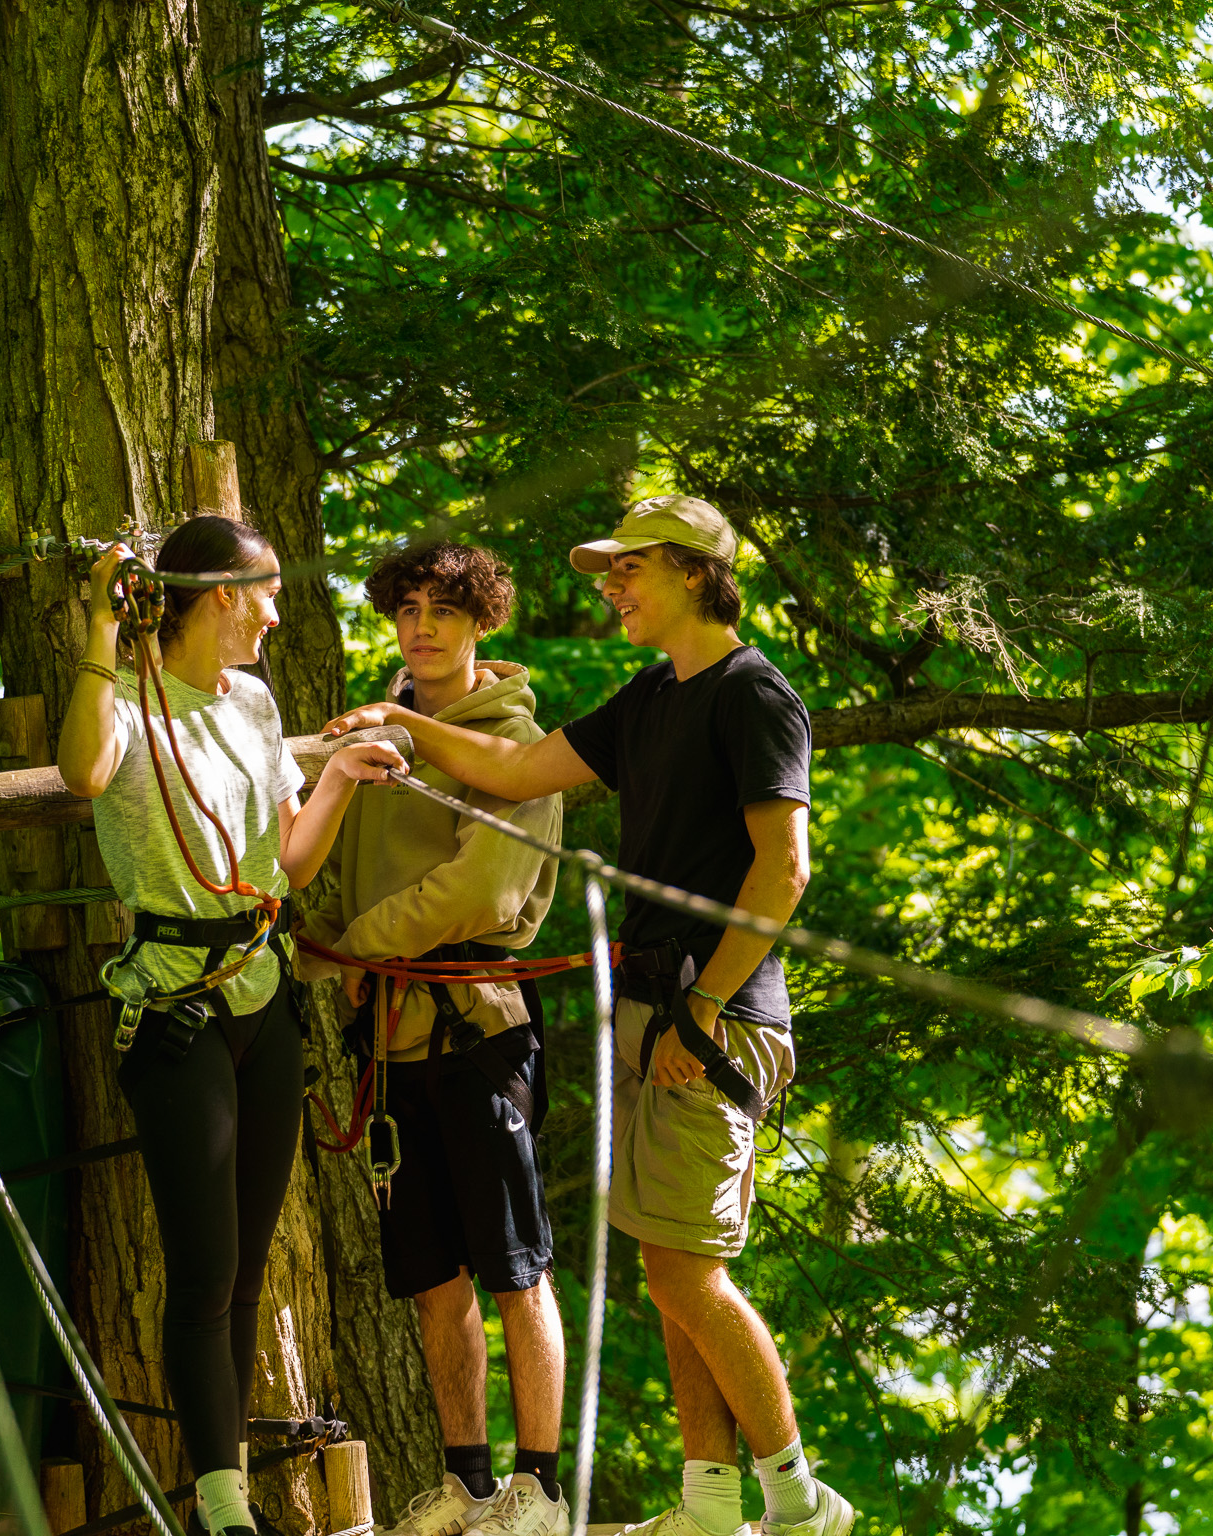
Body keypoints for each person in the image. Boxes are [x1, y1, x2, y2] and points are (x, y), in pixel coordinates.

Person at [323, 498, 854, 1536]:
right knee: (663, 1267)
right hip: (659, 1011)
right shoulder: (654, 696)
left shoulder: (753, 696)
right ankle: (708, 1501)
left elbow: (781, 871)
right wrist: (399, 725)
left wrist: (700, 1011)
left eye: (630, 571)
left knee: (688, 1272)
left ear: (696, 574)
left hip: (716, 1015)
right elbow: (513, 770)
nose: (608, 589)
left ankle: (797, 1500)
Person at [58, 516, 404, 1536]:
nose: (275, 614)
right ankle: (218, 1507)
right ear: (217, 597)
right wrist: (97, 624)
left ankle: (235, 1494)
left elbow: (287, 862)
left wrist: (337, 776)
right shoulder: (124, 705)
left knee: (249, 1265)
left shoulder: (252, 701)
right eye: (263, 595)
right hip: (175, 1009)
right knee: (204, 1268)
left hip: (262, 992)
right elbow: (83, 774)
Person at [300, 542, 569, 1536]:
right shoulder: (377, 735)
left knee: (513, 1263)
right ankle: (464, 1484)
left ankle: (535, 1491)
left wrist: (339, 954)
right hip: (392, 1038)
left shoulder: (512, 746)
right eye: (407, 607)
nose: (422, 625)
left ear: (480, 622)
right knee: (430, 1275)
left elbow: (478, 891)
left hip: (475, 1023)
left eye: (445, 609)